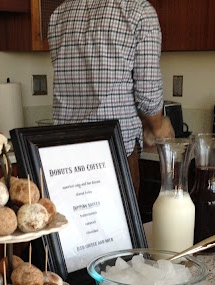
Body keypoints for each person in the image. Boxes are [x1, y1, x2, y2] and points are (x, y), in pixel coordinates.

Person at [48, 0, 174, 196]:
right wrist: (158, 125)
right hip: (114, 152)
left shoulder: (59, 14)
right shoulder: (138, 10)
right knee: (121, 225)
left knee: (74, 224)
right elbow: (147, 92)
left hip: (66, 153)